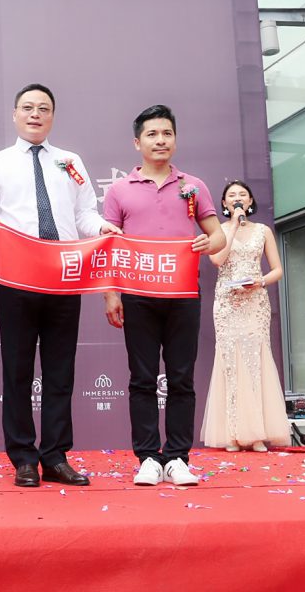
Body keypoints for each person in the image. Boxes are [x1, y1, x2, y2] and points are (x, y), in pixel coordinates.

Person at [0, 83, 121, 488]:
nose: (35, 114)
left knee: (60, 371)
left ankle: (55, 456)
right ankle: (23, 457)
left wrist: (102, 228)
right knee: (17, 370)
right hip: (16, 278)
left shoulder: (70, 162)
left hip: (63, 278)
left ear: (52, 116)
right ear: (15, 115)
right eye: (28, 107)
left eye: (43, 108)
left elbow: (84, 213)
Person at [103, 104, 225, 487]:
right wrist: (110, 294)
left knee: (181, 377)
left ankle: (177, 458)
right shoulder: (119, 190)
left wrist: (209, 242)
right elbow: (108, 246)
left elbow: (218, 235)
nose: (160, 140)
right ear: (137, 142)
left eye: (167, 133)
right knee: (141, 378)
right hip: (137, 293)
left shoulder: (193, 185)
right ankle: (148, 458)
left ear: (175, 139)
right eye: (152, 134)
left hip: (183, 292)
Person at [200, 180, 289, 452]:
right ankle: (233, 434)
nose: (237, 198)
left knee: (255, 363)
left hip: (255, 302)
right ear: (224, 203)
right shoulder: (219, 231)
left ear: (250, 201)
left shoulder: (263, 231)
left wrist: (260, 282)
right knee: (230, 363)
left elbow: (277, 269)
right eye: (231, 195)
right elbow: (217, 260)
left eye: (242, 195)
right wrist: (234, 227)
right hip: (227, 304)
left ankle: (257, 434)